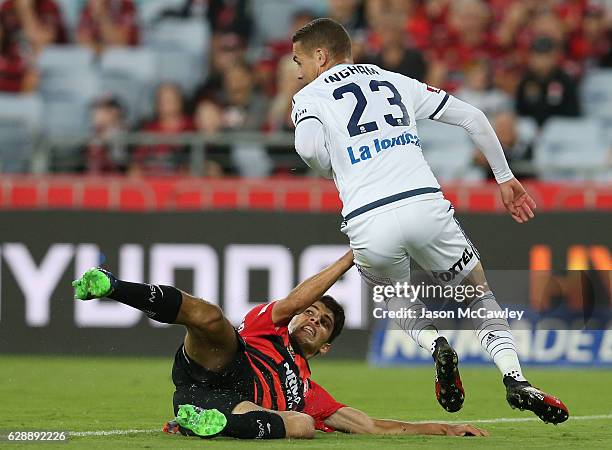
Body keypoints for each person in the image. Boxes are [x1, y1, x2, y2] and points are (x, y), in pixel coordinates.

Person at [290, 18, 568, 424]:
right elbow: (473, 117)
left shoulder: (309, 96)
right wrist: (506, 178)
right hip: (423, 203)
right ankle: (515, 379)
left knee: (393, 293)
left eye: (299, 60)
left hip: (368, 218)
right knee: (476, 292)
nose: (298, 70)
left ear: (320, 55)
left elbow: (311, 150)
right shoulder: (394, 80)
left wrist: (336, 165)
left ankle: (437, 345)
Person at [72, 252, 488, 439]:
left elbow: (373, 426)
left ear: (325, 346)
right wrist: (349, 260)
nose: (313, 320)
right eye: (311, 313)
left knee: (303, 424)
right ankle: (111, 285)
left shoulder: (308, 391)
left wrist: (443, 428)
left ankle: (198, 422)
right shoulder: (266, 326)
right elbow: (292, 302)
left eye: (324, 323)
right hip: (219, 366)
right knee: (212, 318)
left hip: (220, 403)